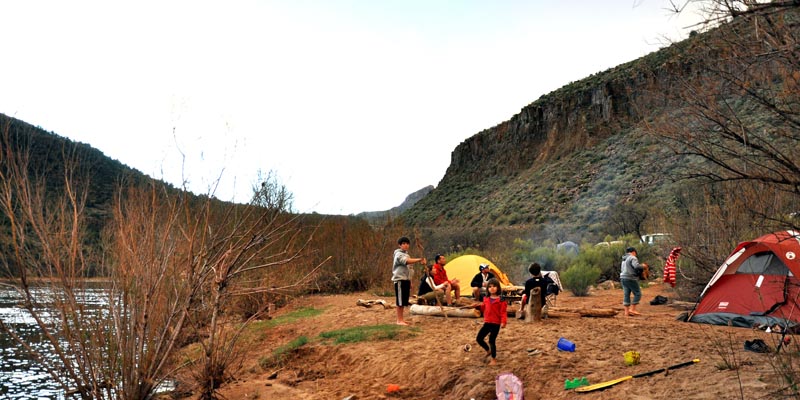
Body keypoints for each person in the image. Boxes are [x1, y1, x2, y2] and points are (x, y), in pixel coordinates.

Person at [392, 236, 426, 325]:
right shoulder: (398, 255)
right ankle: (399, 320)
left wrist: (410, 281)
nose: (406, 245)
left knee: (404, 300)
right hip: (400, 280)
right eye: (403, 244)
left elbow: (409, 269)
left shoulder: (407, 254)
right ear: (400, 245)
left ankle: (402, 319)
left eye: (407, 244)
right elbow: (406, 261)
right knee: (400, 301)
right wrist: (419, 259)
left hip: (406, 280)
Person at [474, 278, 507, 365]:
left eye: (494, 286)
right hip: (487, 322)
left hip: (496, 324)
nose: (492, 288)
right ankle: (488, 351)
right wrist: (477, 306)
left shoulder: (501, 300)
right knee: (479, 338)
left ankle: (493, 359)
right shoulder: (486, 298)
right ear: (487, 288)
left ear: (498, 288)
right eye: (490, 287)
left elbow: (503, 312)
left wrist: (503, 322)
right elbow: (483, 308)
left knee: (492, 341)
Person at [620, 247, 643, 317]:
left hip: (622, 277)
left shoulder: (624, 259)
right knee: (638, 293)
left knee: (626, 294)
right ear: (633, 252)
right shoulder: (633, 258)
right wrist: (642, 267)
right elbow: (636, 267)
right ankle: (632, 309)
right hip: (630, 277)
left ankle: (626, 312)